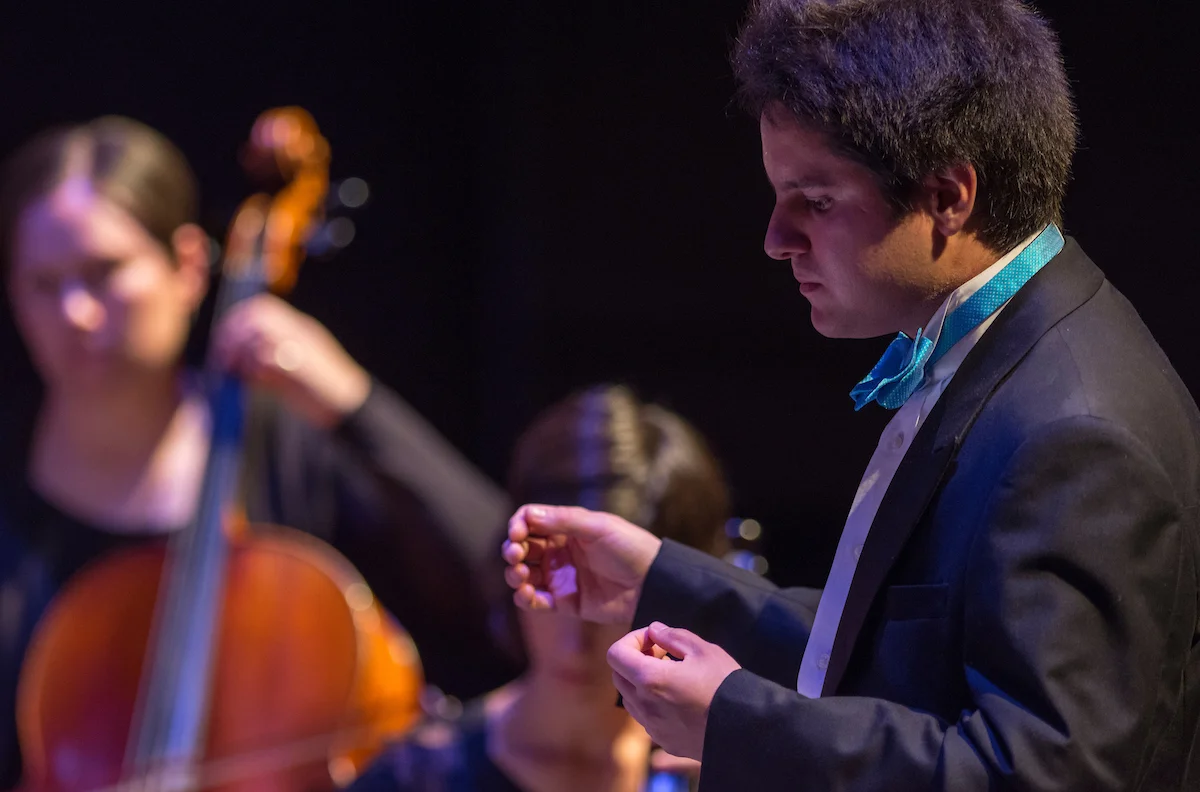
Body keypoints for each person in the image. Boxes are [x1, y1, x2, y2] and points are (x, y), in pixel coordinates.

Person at [502, 1, 1200, 789]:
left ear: (947, 198)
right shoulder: (1002, 347)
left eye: (818, 201)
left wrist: (738, 722)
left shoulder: (1074, 434)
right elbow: (899, 653)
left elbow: (1040, 773)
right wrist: (658, 580)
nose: (776, 239)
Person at [0, 116, 521, 789]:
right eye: (43, 283)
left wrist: (353, 404)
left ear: (188, 266)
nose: (74, 312)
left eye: (104, 271)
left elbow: (509, 581)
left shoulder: (278, 442)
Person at [349, 384, 730, 792]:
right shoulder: (415, 778)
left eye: (611, 602)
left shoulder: (721, 773)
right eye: (554, 587)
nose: (575, 641)